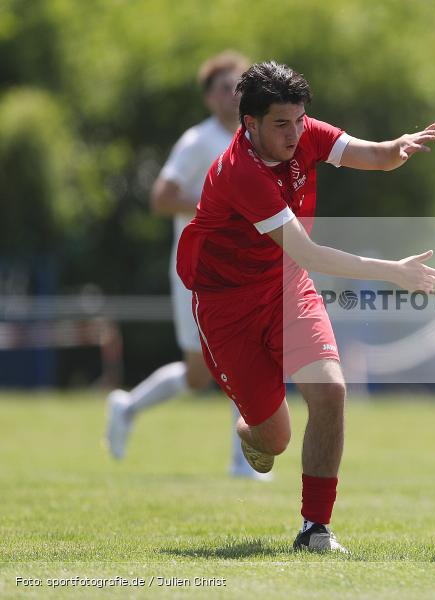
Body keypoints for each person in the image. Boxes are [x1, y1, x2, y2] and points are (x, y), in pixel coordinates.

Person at [176, 61, 435, 553]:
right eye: (281, 124)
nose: (295, 133)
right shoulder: (240, 173)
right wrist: (393, 271)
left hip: (286, 287)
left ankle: (315, 528)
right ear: (250, 123)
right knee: (273, 439)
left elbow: (372, 155)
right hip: (227, 307)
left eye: (300, 120)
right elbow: (311, 254)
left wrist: (395, 149)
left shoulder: (302, 132)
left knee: (330, 391)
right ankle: (253, 429)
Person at [105, 51, 269, 480]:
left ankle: (241, 459)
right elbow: (161, 198)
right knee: (207, 371)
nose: (234, 96)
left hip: (238, 271)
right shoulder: (198, 141)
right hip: (197, 272)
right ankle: (129, 408)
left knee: (232, 361)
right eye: (225, 88)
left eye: (240, 87)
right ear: (209, 98)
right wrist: (217, 204)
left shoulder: (256, 142)